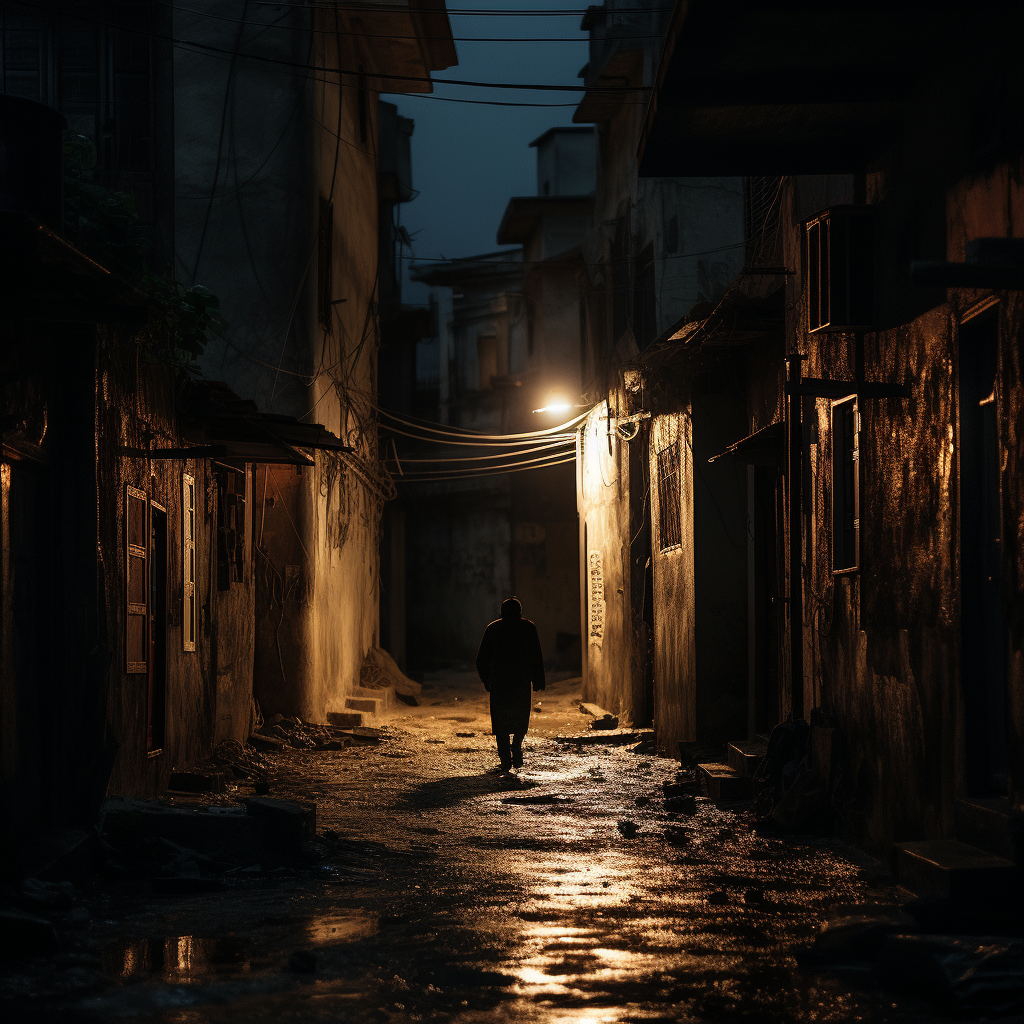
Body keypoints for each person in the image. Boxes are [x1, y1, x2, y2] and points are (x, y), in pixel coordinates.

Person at [475, 596, 545, 772]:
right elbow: (536, 656)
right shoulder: (528, 628)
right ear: (520, 612)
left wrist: (487, 680)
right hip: (520, 681)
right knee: (520, 719)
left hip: (499, 682)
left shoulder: (494, 628)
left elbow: (481, 659)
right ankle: (517, 748)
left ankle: (505, 759)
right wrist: (538, 680)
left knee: (501, 722)